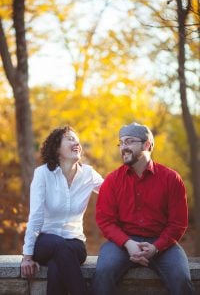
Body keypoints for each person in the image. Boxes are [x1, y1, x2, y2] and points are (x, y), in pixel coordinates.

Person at [91, 122, 194, 295]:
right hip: (122, 243)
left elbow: (178, 223)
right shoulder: (112, 180)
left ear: (147, 144)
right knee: (103, 273)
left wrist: (157, 247)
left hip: (162, 242)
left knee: (181, 278)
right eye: (121, 143)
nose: (124, 147)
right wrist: (128, 243)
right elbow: (105, 220)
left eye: (129, 142)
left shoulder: (171, 179)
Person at [21, 125, 103, 295]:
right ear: (57, 147)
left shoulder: (88, 174)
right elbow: (35, 216)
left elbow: (112, 192)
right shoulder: (42, 174)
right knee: (59, 246)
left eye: (78, 140)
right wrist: (27, 256)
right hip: (45, 242)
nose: (77, 143)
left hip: (75, 243)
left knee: (58, 263)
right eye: (70, 139)